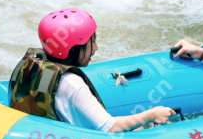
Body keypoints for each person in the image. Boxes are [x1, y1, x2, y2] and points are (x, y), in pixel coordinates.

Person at [9, 9, 174, 132]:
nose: (96, 48)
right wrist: (151, 115)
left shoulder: (39, 68)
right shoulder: (72, 84)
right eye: (92, 41)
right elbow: (110, 127)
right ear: (73, 47)